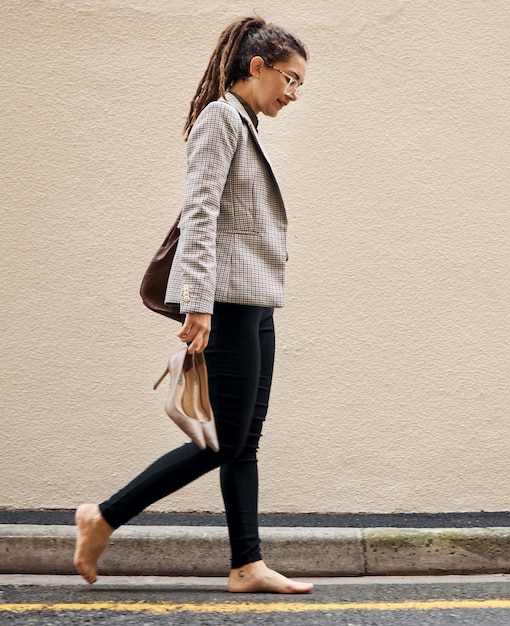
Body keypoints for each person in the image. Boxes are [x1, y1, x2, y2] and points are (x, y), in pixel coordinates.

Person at [73, 16, 313, 594]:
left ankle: (246, 565)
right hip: (224, 303)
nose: (294, 93)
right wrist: (198, 307)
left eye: (301, 84)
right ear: (256, 67)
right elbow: (200, 213)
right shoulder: (220, 119)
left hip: (255, 304)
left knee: (243, 442)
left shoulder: (245, 123)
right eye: (290, 78)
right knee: (222, 441)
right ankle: (103, 517)